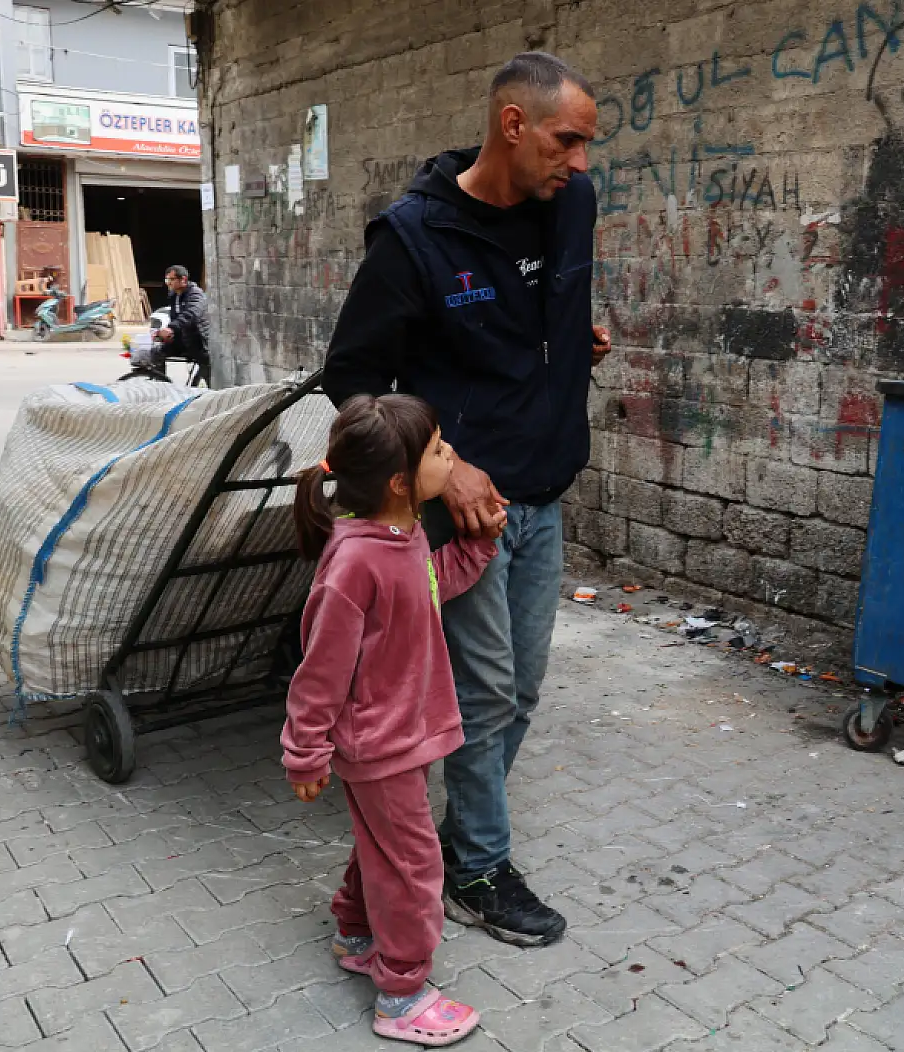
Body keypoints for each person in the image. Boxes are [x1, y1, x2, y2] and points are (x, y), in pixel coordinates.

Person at [323, 50, 610, 947]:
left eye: (586, 145)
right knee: (483, 698)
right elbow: (352, 379)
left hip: (544, 488)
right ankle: (478, 868)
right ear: (512, 124)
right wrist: (445, 470)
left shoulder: (571, 204)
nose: (579, 162)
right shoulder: (414, 238)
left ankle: (453, 840)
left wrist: (572, 342)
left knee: (520, 692)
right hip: (461, 510)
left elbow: (533, 318)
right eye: (567, 140)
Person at [283, 394, 503, 1044]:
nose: (451, 454)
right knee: (413, 865)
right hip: (381, 744)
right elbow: (320, 670)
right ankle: (402, 994)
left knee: (382, 846)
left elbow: (426, 588)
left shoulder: (402, 536)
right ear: (401, 482)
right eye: (437, 449)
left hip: (401, 735)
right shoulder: (354, 562)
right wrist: (305, 752)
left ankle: (356, 934)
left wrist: (477, 546)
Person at [158, 265, 211, 386]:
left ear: (183, 280)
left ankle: (208, 387)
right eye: (167, 280)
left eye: (171, 279)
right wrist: (167, 333)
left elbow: (191, 314)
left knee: (206, 369)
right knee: (157, 353)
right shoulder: (174, 295)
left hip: (198, 340)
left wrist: (171, 328)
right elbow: (175, 317)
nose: (168, 283)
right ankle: (161, 385)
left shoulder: (195, 294)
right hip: (181, 340)